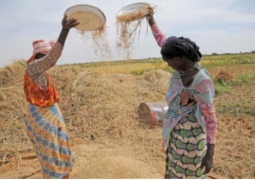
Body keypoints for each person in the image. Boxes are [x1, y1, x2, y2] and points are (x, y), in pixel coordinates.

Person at [146, 10, 217, 179]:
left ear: (178, 58)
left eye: (168, 61)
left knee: (189, 173)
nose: (168, 64)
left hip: (192, 137)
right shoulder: (182, 65)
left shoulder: (201, 81)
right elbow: (162, 41)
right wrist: (150, 19)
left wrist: (210, 155)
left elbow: (211, 118)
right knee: (174, 169)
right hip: (176, 130)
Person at [23, 15, 79, 179]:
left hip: (49, 115)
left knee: (60, 151)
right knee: (53, 155)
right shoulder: (34, 68)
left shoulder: (41, 71)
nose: (49, 60)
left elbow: (53, 54)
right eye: (46, 56)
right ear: (39, 56)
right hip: (42, 118)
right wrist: (65, 30)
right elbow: (53, 58)